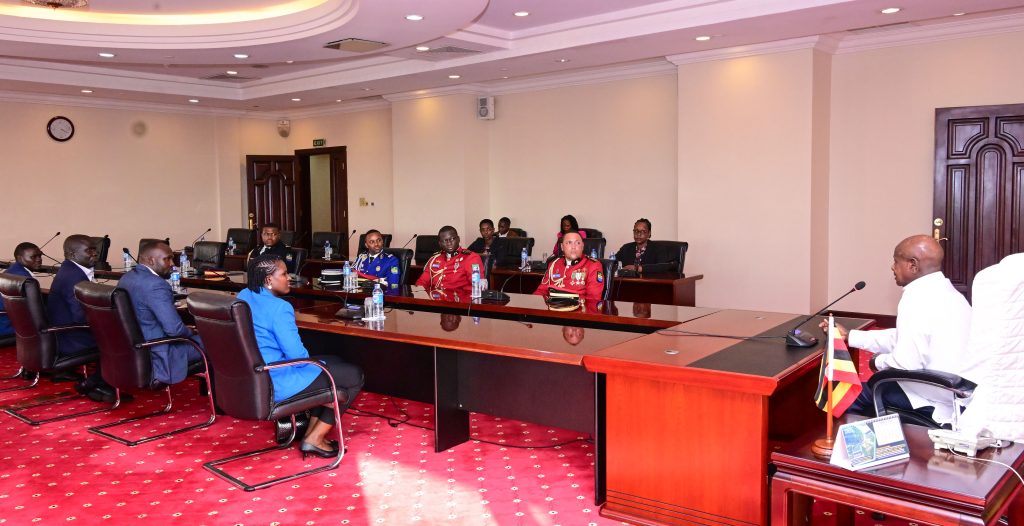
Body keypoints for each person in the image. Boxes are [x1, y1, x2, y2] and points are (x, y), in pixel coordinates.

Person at [827, 235, 973, 424]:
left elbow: (904, 365)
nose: (892, 267)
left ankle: (838, 449)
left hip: (934, 395)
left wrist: (877, 362)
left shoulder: (916, 299)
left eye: (896, 261)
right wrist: (851, 336)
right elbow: (906, 337)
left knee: (841, 396)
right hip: (958, 393)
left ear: (913, 265)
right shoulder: (950, 294)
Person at [238, 255, 364, 458]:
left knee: (336, 361)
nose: (289, 278)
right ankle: (314, 440)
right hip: (277, 379)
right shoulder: (279, 308)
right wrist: (313, 364)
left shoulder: (244, 295)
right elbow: (296, 354)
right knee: (353, 375)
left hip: (255, 375)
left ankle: (310, 433)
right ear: (269, 280)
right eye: (284, 274)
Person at [116, 241, 204, 385]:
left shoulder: (127, 278)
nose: (173, 264)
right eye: (167, 259)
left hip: (135, 350)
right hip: (160, 352)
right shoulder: (156, 285)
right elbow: (175, 331)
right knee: (217, 340)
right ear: (151, 260)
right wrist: (191, 331)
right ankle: (221, 399)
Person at [47, 234, 113, 401]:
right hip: (72, 336)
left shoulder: (70, 269)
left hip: (64, 331)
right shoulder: (74, 277)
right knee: (119, 337)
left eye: (95, 249)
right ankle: (96, 383)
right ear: (72, 254)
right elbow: (81, 316)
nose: (95, 254)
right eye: (89, 250)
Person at [534, 231, 605, 300]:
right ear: (562, 247)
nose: (573, 247)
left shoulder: (593, 265)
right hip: (553, 309)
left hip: (578, 310)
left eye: (577, 243)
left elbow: (593, 299)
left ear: (582, 246)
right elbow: (541, 290)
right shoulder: (554, 264)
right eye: (569, 243)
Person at [415, 226, 487, 290]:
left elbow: (477, 285)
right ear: (440, 243)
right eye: (445, 240)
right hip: (435, 301)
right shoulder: (435, 259)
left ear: (458, 239)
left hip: (459, 302)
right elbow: (422, 282)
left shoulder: (470, 258)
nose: (449, 243)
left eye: (452, 239)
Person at [1, 242, 42, 337]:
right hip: (9, 327)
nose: (39, 259)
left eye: (40, 255)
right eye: (33, 257)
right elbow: (34, 313)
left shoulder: (12, 270)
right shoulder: (24, 279)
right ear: (19, 258)